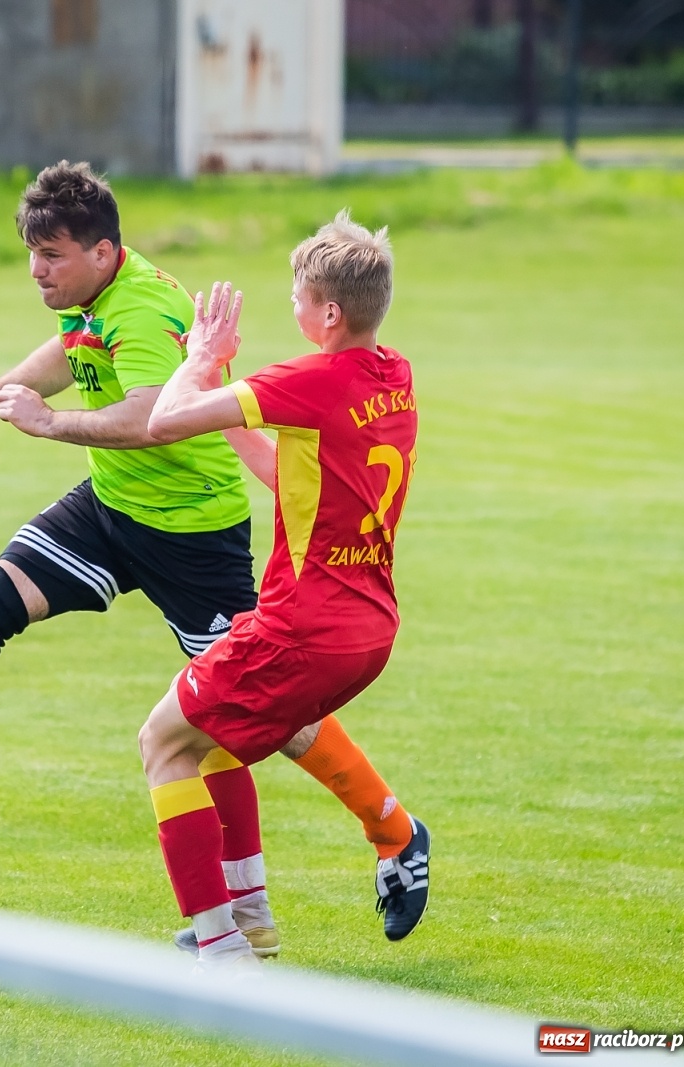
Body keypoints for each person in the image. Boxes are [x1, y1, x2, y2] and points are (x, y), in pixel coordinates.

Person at [0, 164, 422, 950]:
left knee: (242, 725)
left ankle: (364, 842)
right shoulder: (91, 301)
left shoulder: (148, 305)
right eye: (31, 253)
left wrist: (50, 424)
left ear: (101, 251)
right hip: (110, 509)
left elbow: (152, 415)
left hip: (192, 533)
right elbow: (64, 354)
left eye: (51, 256)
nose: (37, 271)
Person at [136, 211, 428, 967]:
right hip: (370, 628)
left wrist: (200, 359)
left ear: (328, 314)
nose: (291, 311)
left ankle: (222, 945)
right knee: (214, 735)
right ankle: (262, 907)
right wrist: (232, 392)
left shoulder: (308, 379)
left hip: (303, 628)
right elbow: (285, 475)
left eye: (298, 299)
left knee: (163, 743)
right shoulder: (392, 374)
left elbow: (163, 420)